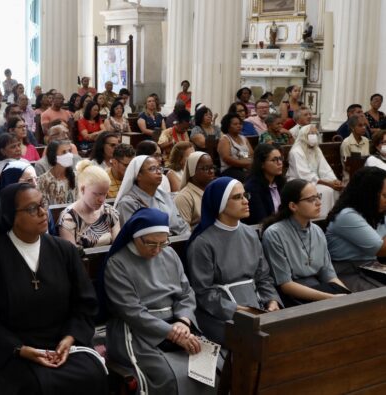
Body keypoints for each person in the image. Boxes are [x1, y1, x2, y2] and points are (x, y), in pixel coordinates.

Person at [0, 183, 108, 395]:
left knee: (93, 375)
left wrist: (69, 338)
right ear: (10, 216)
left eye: (42, 204)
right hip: (10, 350)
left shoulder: (65, 251)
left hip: (62, 343)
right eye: (32, 209)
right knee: (32, 386)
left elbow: (84, 303)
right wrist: (19, 350)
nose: (43, 212)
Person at [103, 208, 212, 395]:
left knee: (212, 364)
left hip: (178, 325)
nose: (157, 250)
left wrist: (183, 321)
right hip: (136, 331)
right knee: (169, 376)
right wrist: (171, 333)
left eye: (163, 243)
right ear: (136, 237)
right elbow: (132, 312)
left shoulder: (169, 254)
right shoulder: (117, 263)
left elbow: (186, 293)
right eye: (151, 244)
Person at [186, 177, 281, 345]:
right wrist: (240, 311)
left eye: (245, 196)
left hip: (257, 306)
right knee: (257, 343)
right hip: (220, 315)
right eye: (237, 197)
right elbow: (204, 293)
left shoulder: (250, 233)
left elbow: (263, 277)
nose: (245, 201)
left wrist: (272, 302)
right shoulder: (203, 243)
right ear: (220, 203)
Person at [262, 179, 350, 306]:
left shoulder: (317, 231)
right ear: (293, 206)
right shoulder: (274, 234)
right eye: (311, 199)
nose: (319, 203)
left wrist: (349, 296)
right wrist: (331, 298)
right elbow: (286, 285)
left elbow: (329, 275)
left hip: (318, 289)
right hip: (292, 297)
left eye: (318, 197)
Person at [325, 167, 386, 291]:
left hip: (371, 268)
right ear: (369, 195)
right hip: (347, 272)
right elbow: (380, 250)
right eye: (385, 195)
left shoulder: (374, 212)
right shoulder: (347, 215)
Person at [115, 155, 190, 236]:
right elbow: (132, 237)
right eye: (152, 169)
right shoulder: (128, 203)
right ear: (138, 175)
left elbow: (182, 226)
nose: (158, 172)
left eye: (159, 168)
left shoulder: (165, 196)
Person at [57, 160, 120, 248]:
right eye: (97, 194)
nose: (102, 200)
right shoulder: (68, 218)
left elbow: (118, 247)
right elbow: (71, 255)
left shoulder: (110, 212)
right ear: (83, 189)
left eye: (105, 194)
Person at [286, 125, 342, 217]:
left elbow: (325, 169)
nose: (314, 135)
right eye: (311, 133)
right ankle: (318, 217)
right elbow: (304, 175)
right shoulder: (296, 151)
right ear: (304, 135)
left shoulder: (317, 149)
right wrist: (328, 183)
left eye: (316, 133)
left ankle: (329, 217)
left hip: (315, 181)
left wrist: (334, 181)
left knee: (333, 190)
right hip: (299, 182)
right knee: (326, 190)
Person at [0, 161, 38, 238]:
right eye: (29, 180)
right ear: (11, 182)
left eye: (36, 179)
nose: (35, 184)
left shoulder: (41, 206)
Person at [243, 144, 285, 225]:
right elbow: (261, 218)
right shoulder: (252, 188)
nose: (280, 163)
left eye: (280, 159)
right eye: (274, 160)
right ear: (262, 164)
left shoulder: (282, 183)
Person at [175, 152, 216, 228]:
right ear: (192, 171)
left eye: (212, 167)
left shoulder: (214, 191)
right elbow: (184, 231)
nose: (211, 171)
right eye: (206, 168)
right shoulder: (184, 197)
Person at [37, 139, 77, 205]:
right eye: (64, 152)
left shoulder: (76, 176)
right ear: (54, 156)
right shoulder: (43, 180)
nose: (69, 155)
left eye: (69, 151)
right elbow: (42, 205)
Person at [218, 113, 253, 182]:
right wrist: (244, 163)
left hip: (245, 167)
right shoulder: (225, 139)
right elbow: (227, 158)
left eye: (240, 124)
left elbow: (251, 154)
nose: (239, 126)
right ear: (228, 126)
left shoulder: (244, 138)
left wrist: (241, 155)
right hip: (229, 170)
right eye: (235, 124)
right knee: (249, 178)